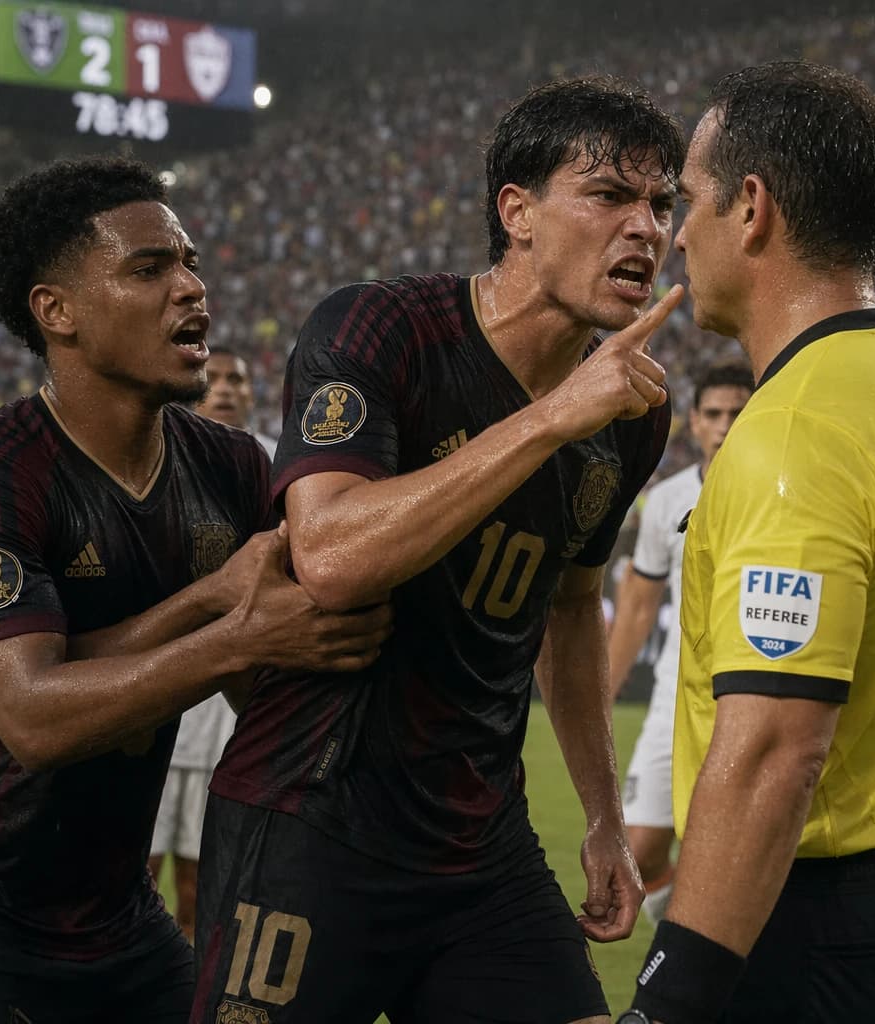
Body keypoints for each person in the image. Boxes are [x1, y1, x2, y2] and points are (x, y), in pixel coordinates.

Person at [191, 75, 685, 1024]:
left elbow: (573, 606)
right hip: (314, 817)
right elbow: (331, 556)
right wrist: (549, 420)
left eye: (661, 203)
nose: (646, 229)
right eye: (610, 195)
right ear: (518, 213)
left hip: (478, 841)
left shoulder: (631, 412)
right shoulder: (380, 328)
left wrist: (601, 816)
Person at [619, 61, 875, 1024]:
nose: (676, 234)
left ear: (751, 209)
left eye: (690, 202)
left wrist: (675, 998)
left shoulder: (795, 431)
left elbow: (776, 752)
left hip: (804, 930)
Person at [0, 156, 390, 1023]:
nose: (189, 288)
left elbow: (275, 690)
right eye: (148, 269)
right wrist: (233, 626)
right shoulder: (9, 471)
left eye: (191, 264)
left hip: (119, 925)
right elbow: (30, 716)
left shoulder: (230, 466)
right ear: (54, 310)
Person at [608, 360, 752, 924]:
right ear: (693, 423)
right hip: (676, 698)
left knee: (748, 853)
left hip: (750, 694)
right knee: (639, 852)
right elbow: (639, 605)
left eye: (738, 412)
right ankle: (698, 944)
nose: (724, 424)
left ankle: (713, 969)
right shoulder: (666, 500)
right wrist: (603, 694)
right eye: (713, 413)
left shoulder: (785, 487)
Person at [149, 347, 278, 943]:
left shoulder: (278, 471)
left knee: (207, 891)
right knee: (135, 882)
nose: (225, 389)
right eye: (215, 379)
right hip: (155, 701)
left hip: (231, 716)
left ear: (254, 395)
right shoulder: (155, 463)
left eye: (238, 379)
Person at [195, 346, 277, 457]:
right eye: (209, 379)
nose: (224, 389)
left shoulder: (276, 458)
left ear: (251, 395)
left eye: (235, 380)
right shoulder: (172, 455)